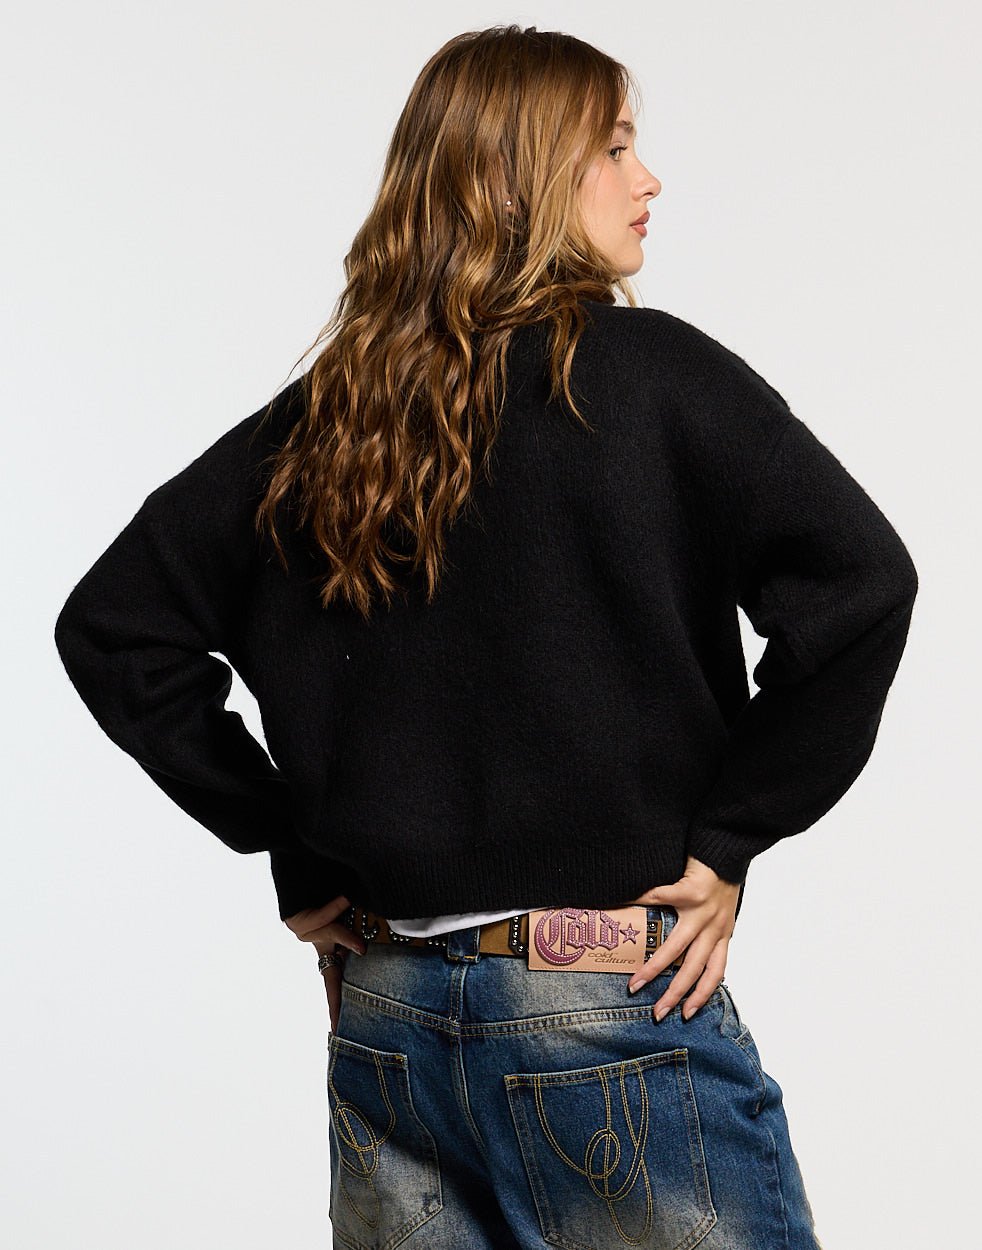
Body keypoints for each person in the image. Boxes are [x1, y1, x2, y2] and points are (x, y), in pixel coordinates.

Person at [53, 23, 917, 1250]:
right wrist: (731, 835)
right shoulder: (654, 377)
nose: (648, 178)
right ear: (518, 181)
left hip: (390, 1019)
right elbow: (863, 583)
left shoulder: (332, 419)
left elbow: (115, 626)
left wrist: (290, 840)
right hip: (602, 1008)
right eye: (612, 148)